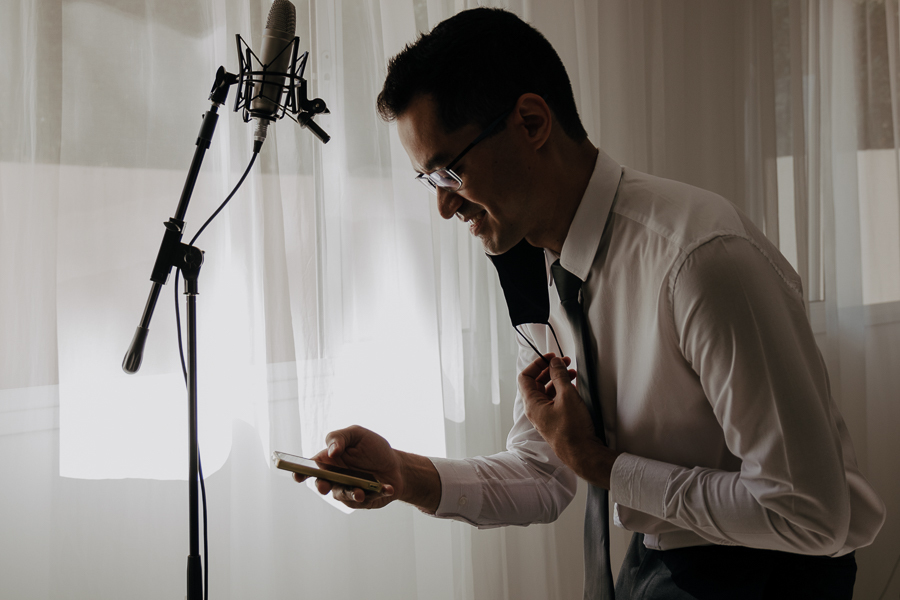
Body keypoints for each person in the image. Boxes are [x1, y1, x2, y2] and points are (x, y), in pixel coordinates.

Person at [292, 8, 885, 599]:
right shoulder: (532, 271)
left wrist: (602, 465)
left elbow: (808, 514)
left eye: (450, 171)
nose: (444, 206)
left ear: (530, 121)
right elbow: (545, 473)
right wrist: (403, 475)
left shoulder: (702, 261)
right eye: (430, 181)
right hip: (655, 560)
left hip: (773, 573)